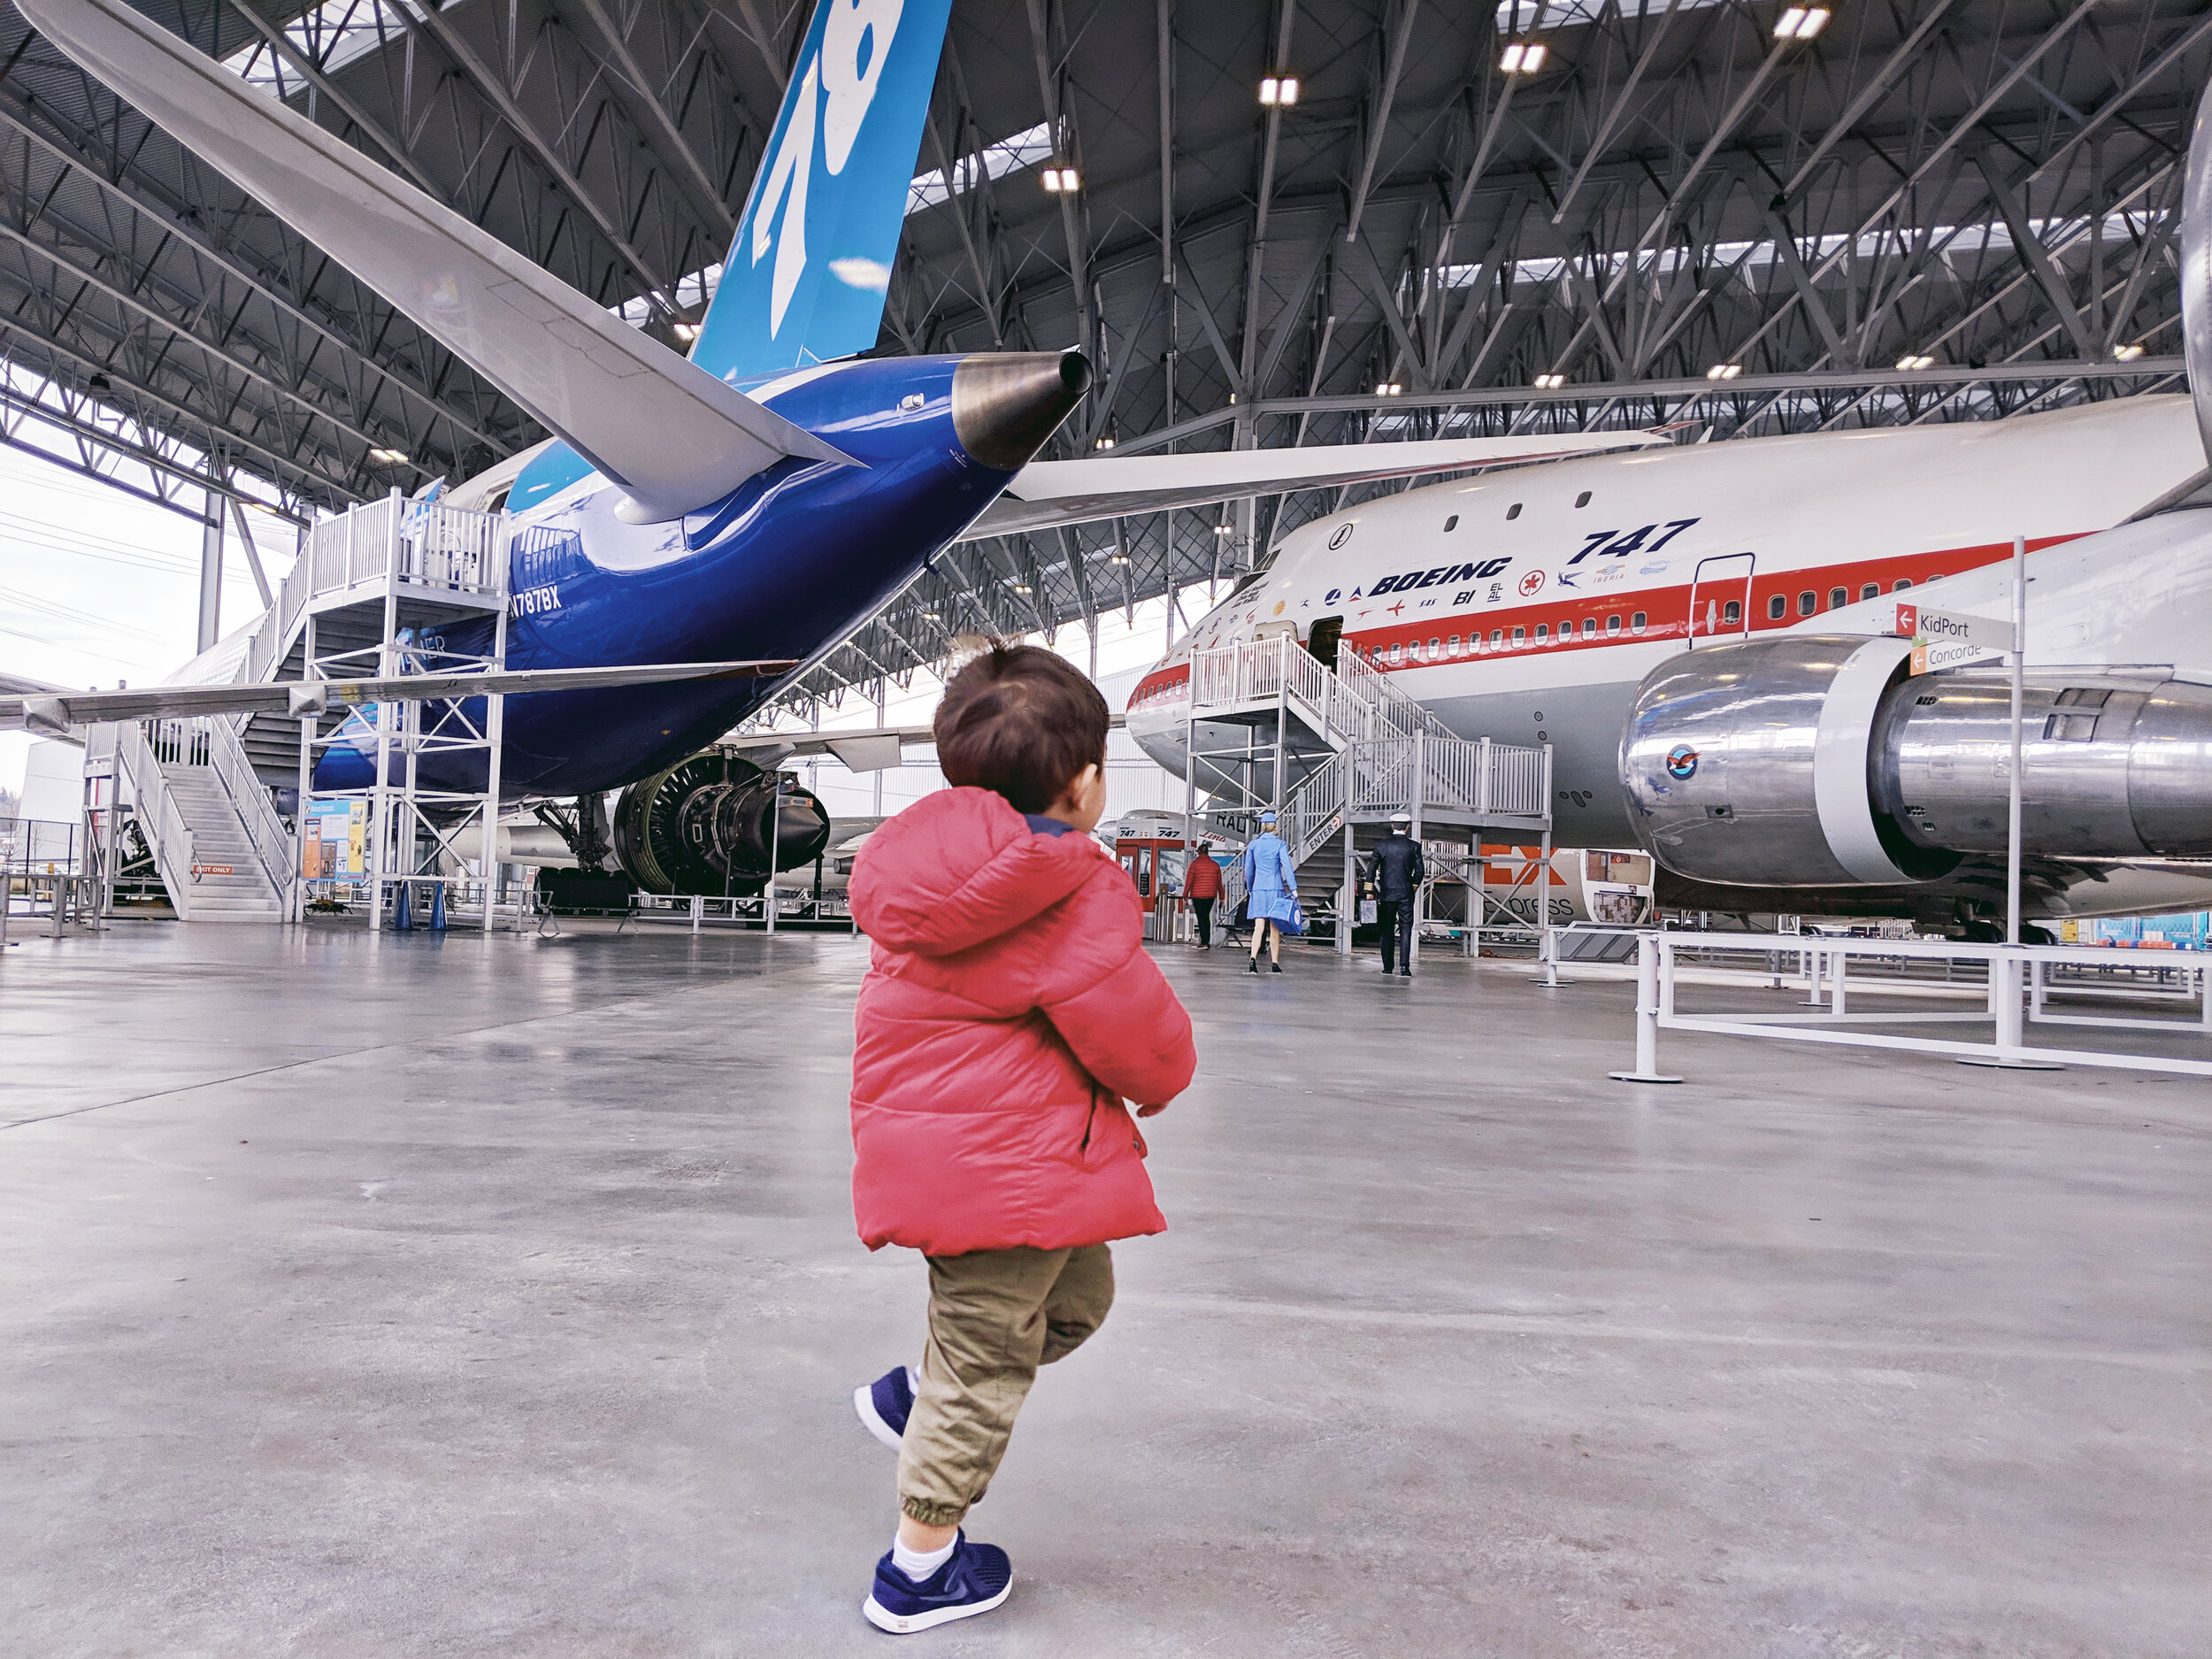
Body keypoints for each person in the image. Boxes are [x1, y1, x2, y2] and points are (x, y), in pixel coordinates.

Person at [844, 643, 1198, 1635]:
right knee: (987, 1364)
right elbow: (1133, 1032)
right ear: (1085, 784)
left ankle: (919, 1393)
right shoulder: (1065, 889)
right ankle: (918, 1569)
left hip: (968, 1158)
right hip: (1008, 1175)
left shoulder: (929, 870)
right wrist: (1168, 1079)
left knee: (1078, 1302)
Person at [1240, 810, 1298, 974]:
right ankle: (1274, 964)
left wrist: (1250, 887)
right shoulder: (1280, 844)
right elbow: (1287, 867)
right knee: (1274, 927)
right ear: (1275, 827)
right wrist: (1293, 888)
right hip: (1275, 889)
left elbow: (1249, 870)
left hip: (1258, 889)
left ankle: (1252, 961)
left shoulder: (1254, 845)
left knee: (1258, 927)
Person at [1370, 811, 1425, 978]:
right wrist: (1412, 887)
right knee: (1406, 929)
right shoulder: (1414, 846)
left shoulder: (1381, 846)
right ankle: (1404, 967)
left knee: (1386, 930)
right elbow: (1420, 871)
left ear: (1392, 825)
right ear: (1407, 827)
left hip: (1387, 894)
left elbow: (1371, 869)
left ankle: (1387, 967)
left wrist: (1369, 890)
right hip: (1406, 894)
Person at [1184, 841, 1222, 947]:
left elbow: (1189, 881)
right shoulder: (1215, 865)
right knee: (1206, 917)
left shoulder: (1194, 865)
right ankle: (1206, 940)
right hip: (1210, 896)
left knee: (1201, 918)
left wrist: (1185, 895)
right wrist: (1222, 897)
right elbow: (1219, 884)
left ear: (1199, 852)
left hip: (1198, 895)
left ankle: (1204, 942)